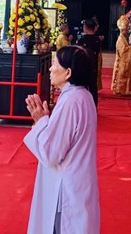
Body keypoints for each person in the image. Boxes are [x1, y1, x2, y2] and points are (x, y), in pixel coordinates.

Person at [24, 45, 100, 233]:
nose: (50, 68)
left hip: (66, 188)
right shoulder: (84, 95)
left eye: (55, 63)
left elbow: (51, 153)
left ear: (68, 73)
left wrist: (41, 121)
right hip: (78, 182)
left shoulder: (70, 101)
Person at [76, 18, 102, 106]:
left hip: (83, 66)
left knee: (82, 87)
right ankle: (94, 106)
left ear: (86, 28)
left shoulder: (82, 40)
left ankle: (83, 106)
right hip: (93, 66)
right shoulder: (97, 40)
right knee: (93, 87)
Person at [111, 15, 131, 95]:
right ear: (122, 30)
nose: (127, 31)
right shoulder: (120, 39)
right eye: (126, 29)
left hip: (124, 61)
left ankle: (126, 89)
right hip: (122, 61)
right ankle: (121, 89)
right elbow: (123, 51)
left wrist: (129, 47)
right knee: (122, 75)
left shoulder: (123, 38)